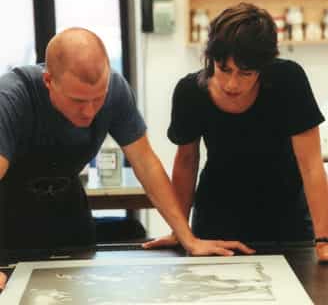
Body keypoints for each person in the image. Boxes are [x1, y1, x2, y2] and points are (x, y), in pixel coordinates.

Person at [0, 27, 254, 290]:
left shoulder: (115, 91)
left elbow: (145, 163)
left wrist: (187, 237)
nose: (89, 112)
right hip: (7, 217)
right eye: (77, 100)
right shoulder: (11, 98)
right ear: (49, 82)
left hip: (67, 208)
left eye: (97, 98)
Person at [143, 3, 328, 262]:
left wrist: (324, 239)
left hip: (286, 217)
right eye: (224, 69)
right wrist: (180, 232)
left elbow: (311, 165)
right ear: (211, 59)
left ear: (263, 67)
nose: (232, 84)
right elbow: (186, 162)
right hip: (216, 220)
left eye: (246, 74)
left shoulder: (288, 81)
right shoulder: (190, 92)